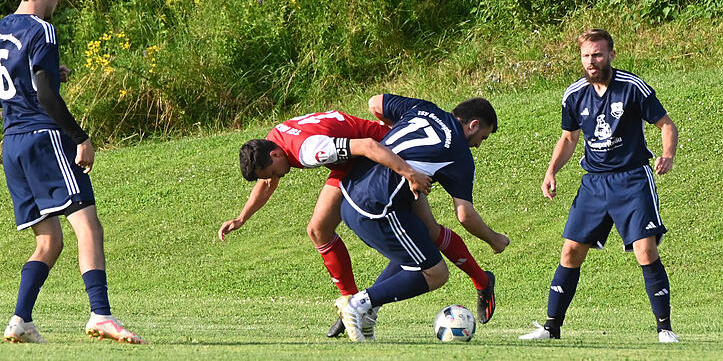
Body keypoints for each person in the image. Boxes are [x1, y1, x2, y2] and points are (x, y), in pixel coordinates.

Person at [218, 110, 500, 338]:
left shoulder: (310, 151)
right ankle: (355, 305)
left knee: (423, 233)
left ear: (276, 155)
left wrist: (408, 172)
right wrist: (242, 217)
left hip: (381, 156)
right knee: (422, 232)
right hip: (357, 159)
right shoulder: (274, 140)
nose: (272, 178)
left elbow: (366, 145)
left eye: (269, 171)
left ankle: (353, 306)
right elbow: (269, 181)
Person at [0, 0, 144, 344]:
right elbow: (45, 94)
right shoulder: (42, 29)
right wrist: (80, 136)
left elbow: (21, 80)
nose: (58, 0)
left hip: (12, 144)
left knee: (49, 241)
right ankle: (100, 314)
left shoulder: (0, 30)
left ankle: (20, 320)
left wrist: (47, 76)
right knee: (88, 225)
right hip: (44, 138)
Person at [519, 29, 679, 343]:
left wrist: (667, 155)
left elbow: (666, 125)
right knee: (570, 253)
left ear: (611, 55)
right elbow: (568, 138)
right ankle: (551, 328)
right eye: (586, 56)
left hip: (632, 179)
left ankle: (665, 329)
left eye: (597, 55)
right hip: (594, 183)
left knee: (645, 251)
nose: (591, 62)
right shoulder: (574, 94)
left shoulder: (633, 88)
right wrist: (551, 171)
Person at [336, 94, 510, 342]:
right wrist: (494, 240)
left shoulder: (423, 108)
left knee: (425, 235)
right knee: (436, 273)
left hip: (350, 191)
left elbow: (375, 103)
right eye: (483, 137)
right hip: (376, 208)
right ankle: (358, 303)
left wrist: (400, 140)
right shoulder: (459, 153)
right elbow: (465, 215)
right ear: (473, 125)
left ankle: (367, 314)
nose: (479, 145)